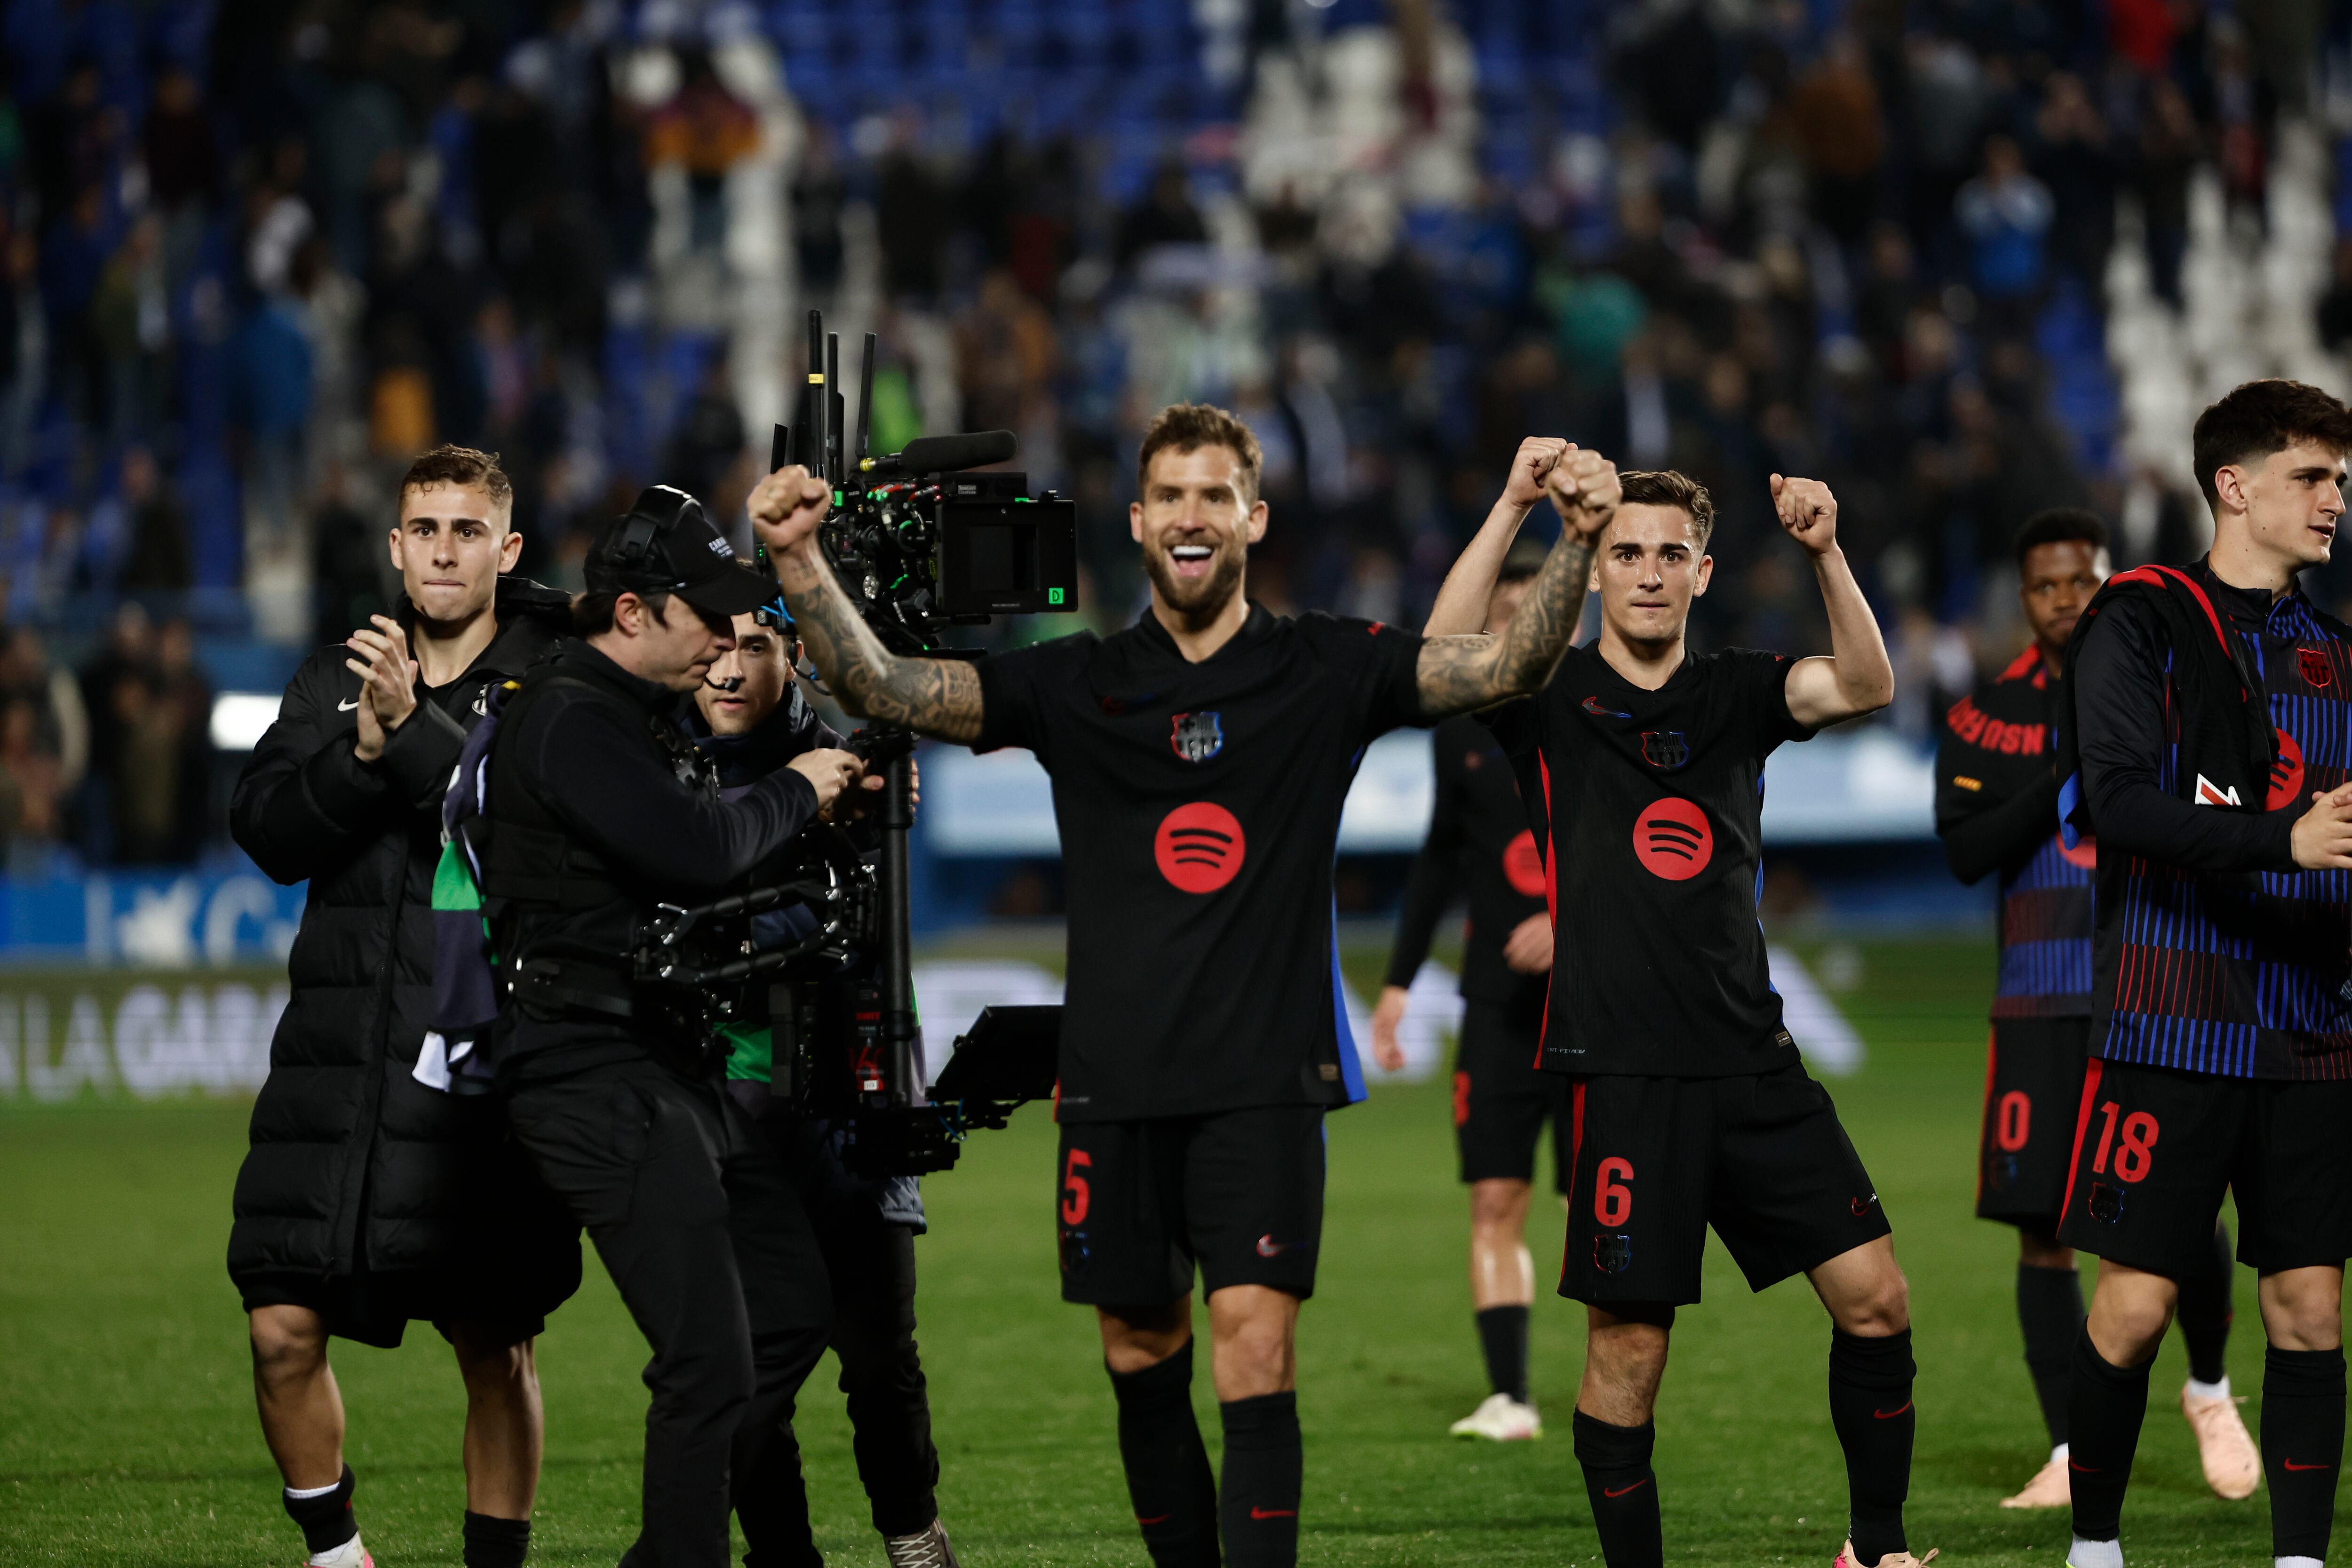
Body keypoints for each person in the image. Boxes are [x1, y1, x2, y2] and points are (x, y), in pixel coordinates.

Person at [750, 407, 1613, 1568]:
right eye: (1172, 495)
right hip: (1113, 1087)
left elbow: (1507, 664)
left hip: (1263, 1084)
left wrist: (1572, 538)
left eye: (1216, 495)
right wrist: (799, 556)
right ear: (1140, 521)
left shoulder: (1325, 666)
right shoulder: (1080, 683)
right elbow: (889, 687)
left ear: (1253, 518)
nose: (1192, 515)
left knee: (1254, 1349)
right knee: (1138, 1349)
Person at [1433, 467, 1921, 1568]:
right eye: (1627, 552)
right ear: (1597, 571)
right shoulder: (1543, 696)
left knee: (1877, 1296)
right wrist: (1516, 510)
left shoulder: (1738, 691)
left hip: (1752, 1061)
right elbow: (1440, 652)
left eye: (1668, 555)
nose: (1648, 572)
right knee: (1627, 1358)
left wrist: (1825, 550)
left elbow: (1867, 682)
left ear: (1700, 574)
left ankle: (1874, 1549)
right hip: (1623, 1073)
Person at [479, 486, 851, 1568]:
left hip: (655, 1059)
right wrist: (797, 790)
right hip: (589, 1068)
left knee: (784, 1309)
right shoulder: (570, 715)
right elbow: (694, 847)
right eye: (706, 613)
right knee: (706, 1364)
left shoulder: (623, 713)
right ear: (633, 613)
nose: (726, 639)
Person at [227, 445, 582, 1568]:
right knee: (280, 1323)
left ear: (506, 548)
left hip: (479, 1065)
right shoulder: (335, 674)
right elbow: (269, 830)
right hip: (333, 1062)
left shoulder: (556, 683)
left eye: (466, 529)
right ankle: (337, 1557)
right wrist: (363, 750)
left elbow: (530, 832)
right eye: (423, 527)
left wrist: (411, 737)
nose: (441, 547)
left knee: (495, 1341)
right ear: (394, 545)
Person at [2051, 378, 2352, 1568]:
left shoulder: (2337, 653)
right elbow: (2119, 804)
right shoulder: (2138, 617)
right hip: (2172, 1019)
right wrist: (2279, 838)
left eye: (2339, 479)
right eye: (2310, 477)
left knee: (2310, 1308)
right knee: (2132, 1306)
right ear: (2234, 486)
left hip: (2313, 1025)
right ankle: (2095, 1546)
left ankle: (2294, 1560)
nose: (2334, 499)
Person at [1935, 509, 2257, 1512]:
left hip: (2158, 991)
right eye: (2045, 586)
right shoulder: (1983, 715)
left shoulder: (2174, 689)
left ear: (2110, 577)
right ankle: (2072, 1447)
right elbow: (1964, 850)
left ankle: (2206, 1387)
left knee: (2185, 1206)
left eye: (2083, 579)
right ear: (2022, 599)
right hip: (2038, 1002)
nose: (2067, 599)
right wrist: (2069, 767)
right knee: (2044, 1233)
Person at [685, 604, 961, 1568]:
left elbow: (847, 924)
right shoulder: (656, 771)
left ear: (794, 658)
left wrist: (710, 935)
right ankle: (784, 1554)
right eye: (711, 648)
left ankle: (911, 1529)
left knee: (879, 1354)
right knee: (753, 1365)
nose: (726, 669)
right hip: (729, 1101)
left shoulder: (859, 771)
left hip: (857, 1094)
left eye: (751, 648)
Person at [1368, 535, 1561, 1443]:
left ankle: (1619, 1383)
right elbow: (1440, 858)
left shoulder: (1600, 715)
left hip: (1595, 1004)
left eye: (1535, 611)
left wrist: (1574, 926)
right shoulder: (1462, 733)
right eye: (1505, 612)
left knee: (1609, 1201)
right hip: (1495, 1007)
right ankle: (1512, 1395)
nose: (1518, 626)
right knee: (1494, 1198)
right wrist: (1400, 982)